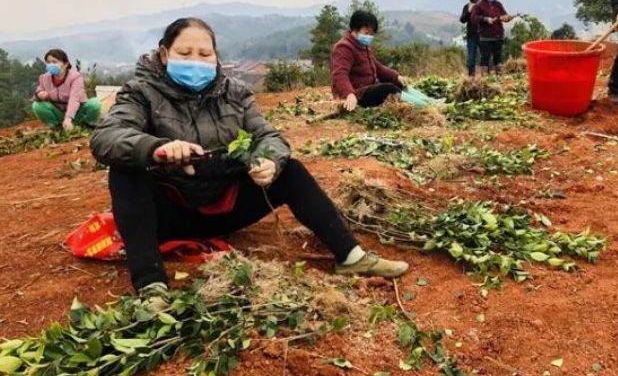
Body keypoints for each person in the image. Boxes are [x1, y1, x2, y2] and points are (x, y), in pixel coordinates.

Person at [91, 17, 409, 295]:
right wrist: (155, 148)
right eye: (184, 53)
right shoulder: (140, 92)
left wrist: (268, 160)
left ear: (215, 57)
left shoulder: (235, 93)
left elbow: (269, 136)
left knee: (291, 170)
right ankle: (151, 283)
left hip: (224, 209)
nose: (195, 61)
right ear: (164, 54)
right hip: (168, 216)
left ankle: (349, 256)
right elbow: (107, 138)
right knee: (125, 172)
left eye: (204, 54)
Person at [331, 10, 408, 112]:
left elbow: (377, 67)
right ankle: (414, 104)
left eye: (371, 34)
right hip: (358, 94)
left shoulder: (363, 45)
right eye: (366, 33)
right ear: (355, 29)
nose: (368, 37)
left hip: (369, 87)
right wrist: (349, 94)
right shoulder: (343, 47)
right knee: (388, 89)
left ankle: (425, 101)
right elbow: (340, 74)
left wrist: (396, 76)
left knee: (398, 83)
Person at [33, 49, 102, 131]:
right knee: (37, 106)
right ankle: (56, 127)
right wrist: (40, 94)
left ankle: (87, 125)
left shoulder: (75, 78)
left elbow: (74, 98)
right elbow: (39, 90)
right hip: (58, 112)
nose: (51, 65)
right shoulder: (45, 78)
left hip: (77, 112)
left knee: (94, 104)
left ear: (66, 64)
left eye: (54, 62)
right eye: (48, 62)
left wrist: (68, 118)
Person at [470, 0, 513, 76]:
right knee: (485, 59)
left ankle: (499, 77)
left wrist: (507, 18)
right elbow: (473, 18)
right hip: (485, 38)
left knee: (498, 58)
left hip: (498, 36)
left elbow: (504, 15)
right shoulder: (479, 6)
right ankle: (485, 78)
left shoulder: (498, 4)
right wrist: (485, 19)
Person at [459, 0, 481, 77]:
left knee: (485, 55)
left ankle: (486, 73)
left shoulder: (481, 7)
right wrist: (469, 11)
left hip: (482, 35)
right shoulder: (467, 7)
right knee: (471, 56)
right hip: (472, 35)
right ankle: (471, 75)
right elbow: (462, 20)